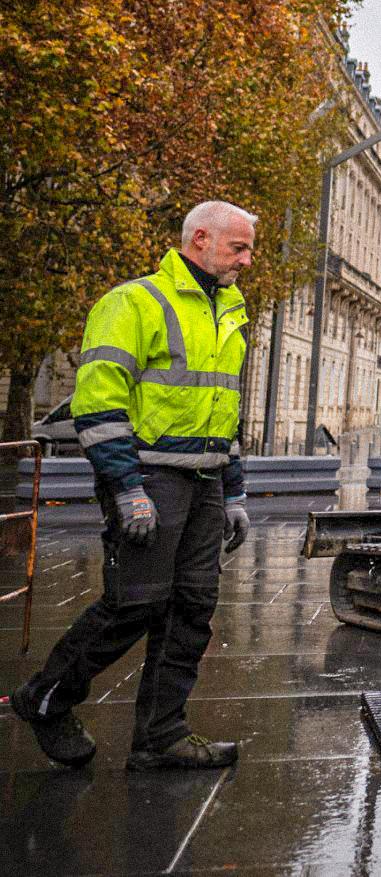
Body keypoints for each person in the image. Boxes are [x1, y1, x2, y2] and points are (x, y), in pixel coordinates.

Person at [9, 201, 256, 770]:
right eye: (237, 248)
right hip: (149, 474)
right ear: (200, 239)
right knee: (134, 605)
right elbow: (98, 404)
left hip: (206, 481)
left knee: (191, 609)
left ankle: (160, 738)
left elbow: (225, 409)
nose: (246, 260)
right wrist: (125, 487)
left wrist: (235, 492)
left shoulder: (229, 312)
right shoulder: (133, 302)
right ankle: (45, 698)